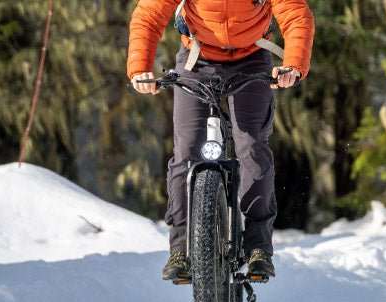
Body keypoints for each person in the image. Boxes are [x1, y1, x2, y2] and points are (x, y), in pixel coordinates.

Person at [126, 0, 315, 281]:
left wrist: (293, 65)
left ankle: (258, 247)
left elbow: (295, 14)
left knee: (251, 147)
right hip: (196, 60)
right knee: (186, 151)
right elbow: (149, 15)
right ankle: (180, 249)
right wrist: (140, 68)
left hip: (252, 61)